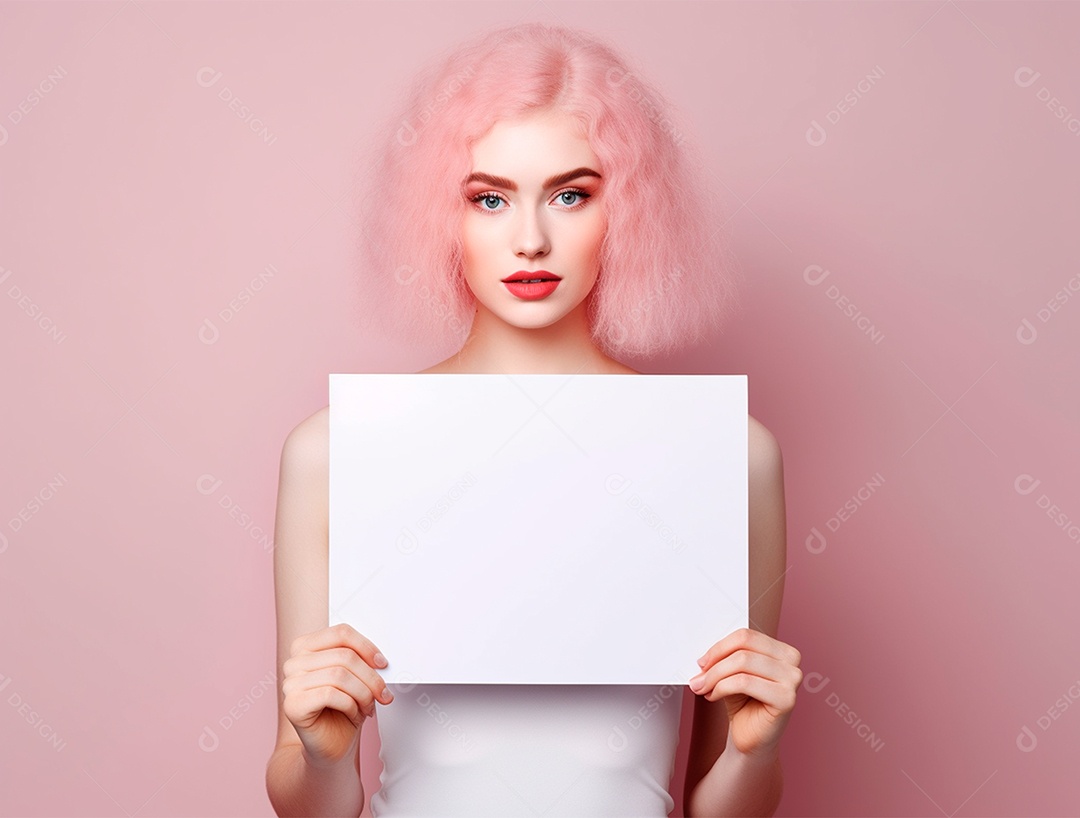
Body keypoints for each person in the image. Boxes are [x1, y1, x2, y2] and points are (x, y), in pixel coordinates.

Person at [265, 21, 802, 817]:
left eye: (570, 195)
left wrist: (756, 750)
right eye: (490, 199)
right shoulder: (336, 450)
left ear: (629, 211)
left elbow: (716, 805)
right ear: (441, 215)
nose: (530, 239)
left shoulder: (726, 454)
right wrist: (320, 752)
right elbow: (305, 799)